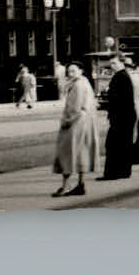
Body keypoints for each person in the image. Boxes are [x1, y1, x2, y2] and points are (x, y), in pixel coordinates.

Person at [52, 62, 99, 197]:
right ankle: (80, 184)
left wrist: (65, 122)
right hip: (85, 123)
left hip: (75, 124)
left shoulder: (77, 86)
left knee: (66, 154)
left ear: (81, 71)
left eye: (73, 71)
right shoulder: (85, 83)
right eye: (69, 71)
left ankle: (66, 186)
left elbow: (74, 108)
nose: (70, 74)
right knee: (81, 153)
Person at [97, 55, 135, 180]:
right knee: (124, 144)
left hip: (120, 117)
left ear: (122, 63)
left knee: (113, 145)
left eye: (114, 63)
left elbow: (118, 99)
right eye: (111, 63)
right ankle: (124, 171)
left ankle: (112, 173)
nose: (112, 66)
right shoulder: (123, 76)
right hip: (126, 116)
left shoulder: (120, 77)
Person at [123, 57, 139, 164]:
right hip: (138, 104)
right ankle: (137, 156)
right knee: (138, 130)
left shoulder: (130, 77)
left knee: (133, 131)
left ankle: (134, 157)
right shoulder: (138, 76)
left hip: (132, 105)